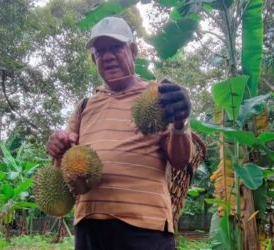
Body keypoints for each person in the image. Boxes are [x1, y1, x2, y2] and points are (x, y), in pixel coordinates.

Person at [47, 16, 193, 250]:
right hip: (90, 225)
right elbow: (67, 164)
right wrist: (58, 147)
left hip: (145, 227)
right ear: (94, 58)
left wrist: (179, 123)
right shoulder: (85, 105)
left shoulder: (159, 97)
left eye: (116, 47)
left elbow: (180, 160)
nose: (107, 56)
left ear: (133, 51)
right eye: (100, 51)